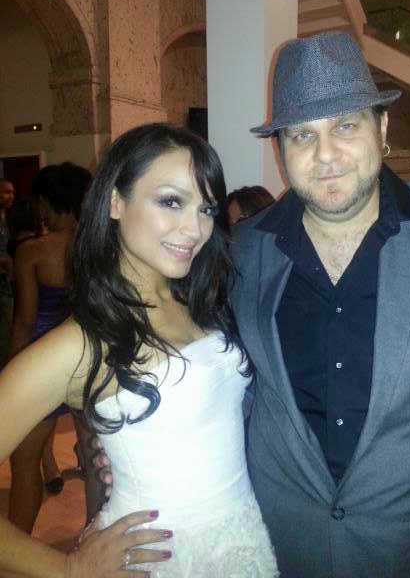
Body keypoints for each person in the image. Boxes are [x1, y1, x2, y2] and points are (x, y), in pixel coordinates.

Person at [95, 31, 410, 577]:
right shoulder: (240, 251)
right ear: (279, 150)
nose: (325, 155)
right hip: (283, 548)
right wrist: (145, 444)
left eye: (345, 126)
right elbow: (203, 366)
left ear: (382, 129)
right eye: (302, 134)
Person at [0, 124, 278, 578]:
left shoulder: (200, 300)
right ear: (115, 201)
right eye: (171, 201)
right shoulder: (80, 343)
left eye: (206, 208)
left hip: (242, 541)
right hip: (161, 559)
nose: (195, 228)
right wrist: (68, 568)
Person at [8, 163, 93, 534]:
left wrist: (13, 373)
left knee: (25, 463)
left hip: (43, 361)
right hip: (90, 359)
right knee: (96, 462)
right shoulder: (98, 248)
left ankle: (17, 547)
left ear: (48, 202)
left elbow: (24, 321)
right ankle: (92, 538)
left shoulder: (32, 252)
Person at [0, 178, 15, 367]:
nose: (10, 196)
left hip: (7, 281)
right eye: (6, 192)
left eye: (12, 192)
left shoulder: (10, 217)